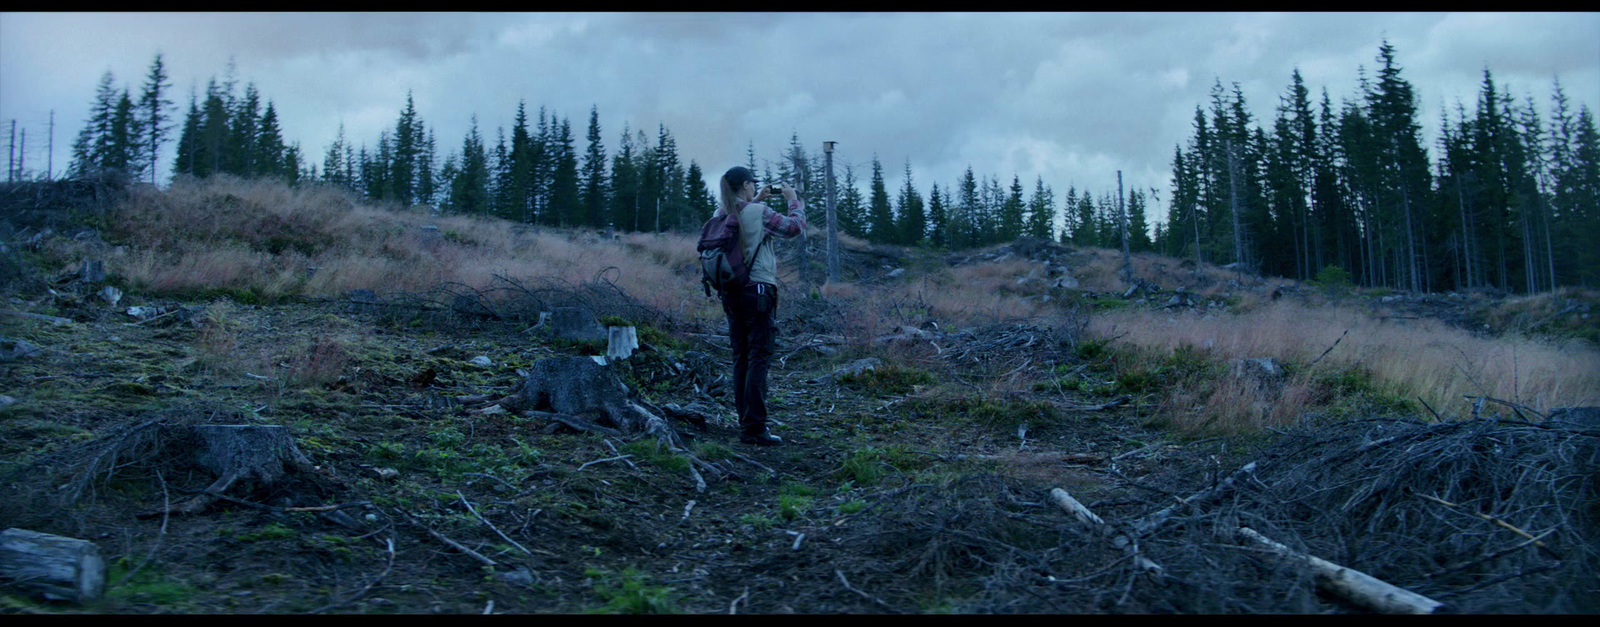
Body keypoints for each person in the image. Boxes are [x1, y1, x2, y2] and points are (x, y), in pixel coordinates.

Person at [715, 166, 806, 446]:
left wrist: (756, 200)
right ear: (745, 185)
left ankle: (746, 422)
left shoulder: (720, 215)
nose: (755, 188)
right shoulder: (758, 212)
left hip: (731, 293)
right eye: (752, 185)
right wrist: (793, 200)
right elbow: (794, 228)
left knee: (741, 356)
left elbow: (745, 221)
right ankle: (755, 428)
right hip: (758, 291)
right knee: (759, 356)